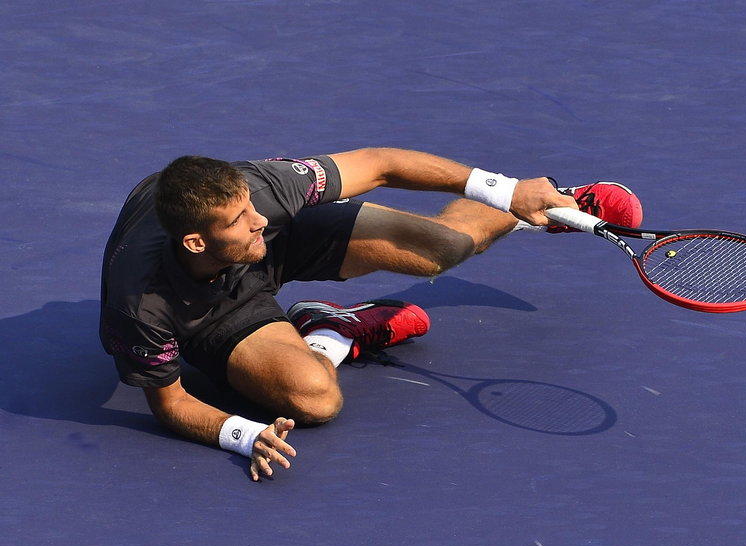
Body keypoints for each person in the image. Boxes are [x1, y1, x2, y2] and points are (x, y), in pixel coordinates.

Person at [100, 148, 643, 481]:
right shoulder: (141, 306)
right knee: (314, 399)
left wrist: (505, 189)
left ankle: (545, 202)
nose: (257, 218)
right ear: (196, 241)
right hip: (215, 314)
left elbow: (380, 165)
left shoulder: (265, 197)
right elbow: (169, 403)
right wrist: (243, 435)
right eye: (240, 218)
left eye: (251, 205)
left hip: (270, 255)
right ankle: (330, 328)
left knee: (444, 248)